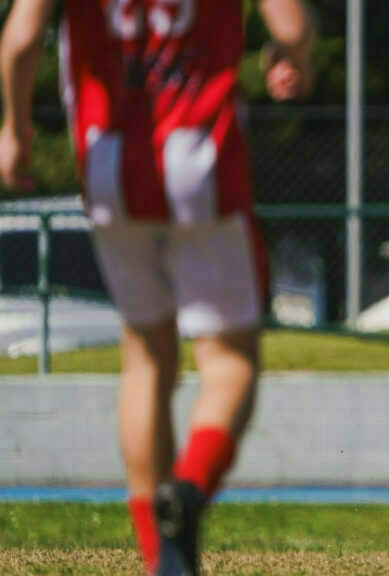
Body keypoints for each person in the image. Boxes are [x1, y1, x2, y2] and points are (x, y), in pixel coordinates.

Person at [0, 1, 315, 574]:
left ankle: (159, 557)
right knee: (229, 363)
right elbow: (292, 26)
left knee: (145, 358)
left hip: (108, 169)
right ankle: (190, 490)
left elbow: (21, 40)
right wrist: (288, 59)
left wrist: (15, 130)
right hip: (204, 167)